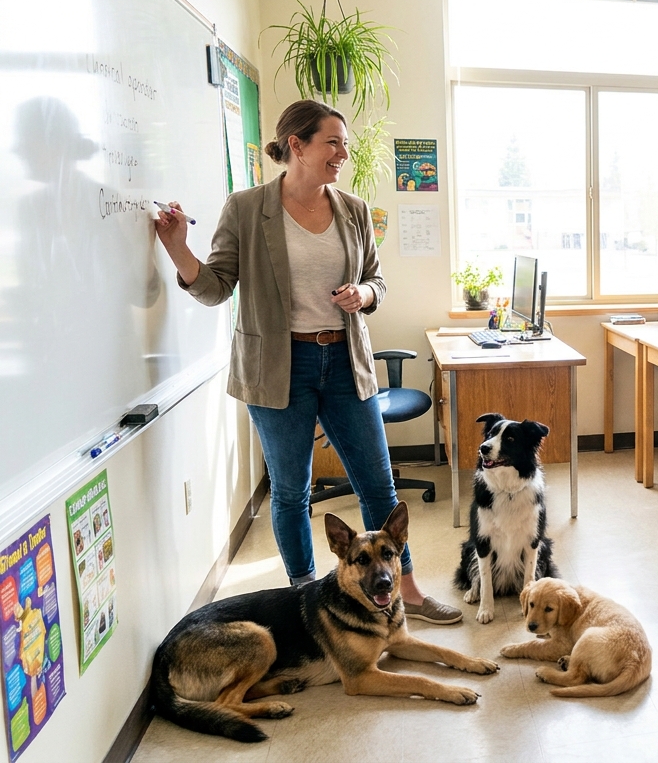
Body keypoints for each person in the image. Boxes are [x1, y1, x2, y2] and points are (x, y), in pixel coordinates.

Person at [152, 99, 461, 624]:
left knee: (379, 486)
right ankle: (304, 599)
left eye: (344, 143)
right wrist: (180, 250)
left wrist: (363, 294)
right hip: (278, 366)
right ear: (295, 145)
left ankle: (406, 591)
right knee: (292, 491)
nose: (343, 153)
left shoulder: (354, 209)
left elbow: (377, 280)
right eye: (332, 142)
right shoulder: (247, 209)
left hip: (344, 361)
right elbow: (215, 287)